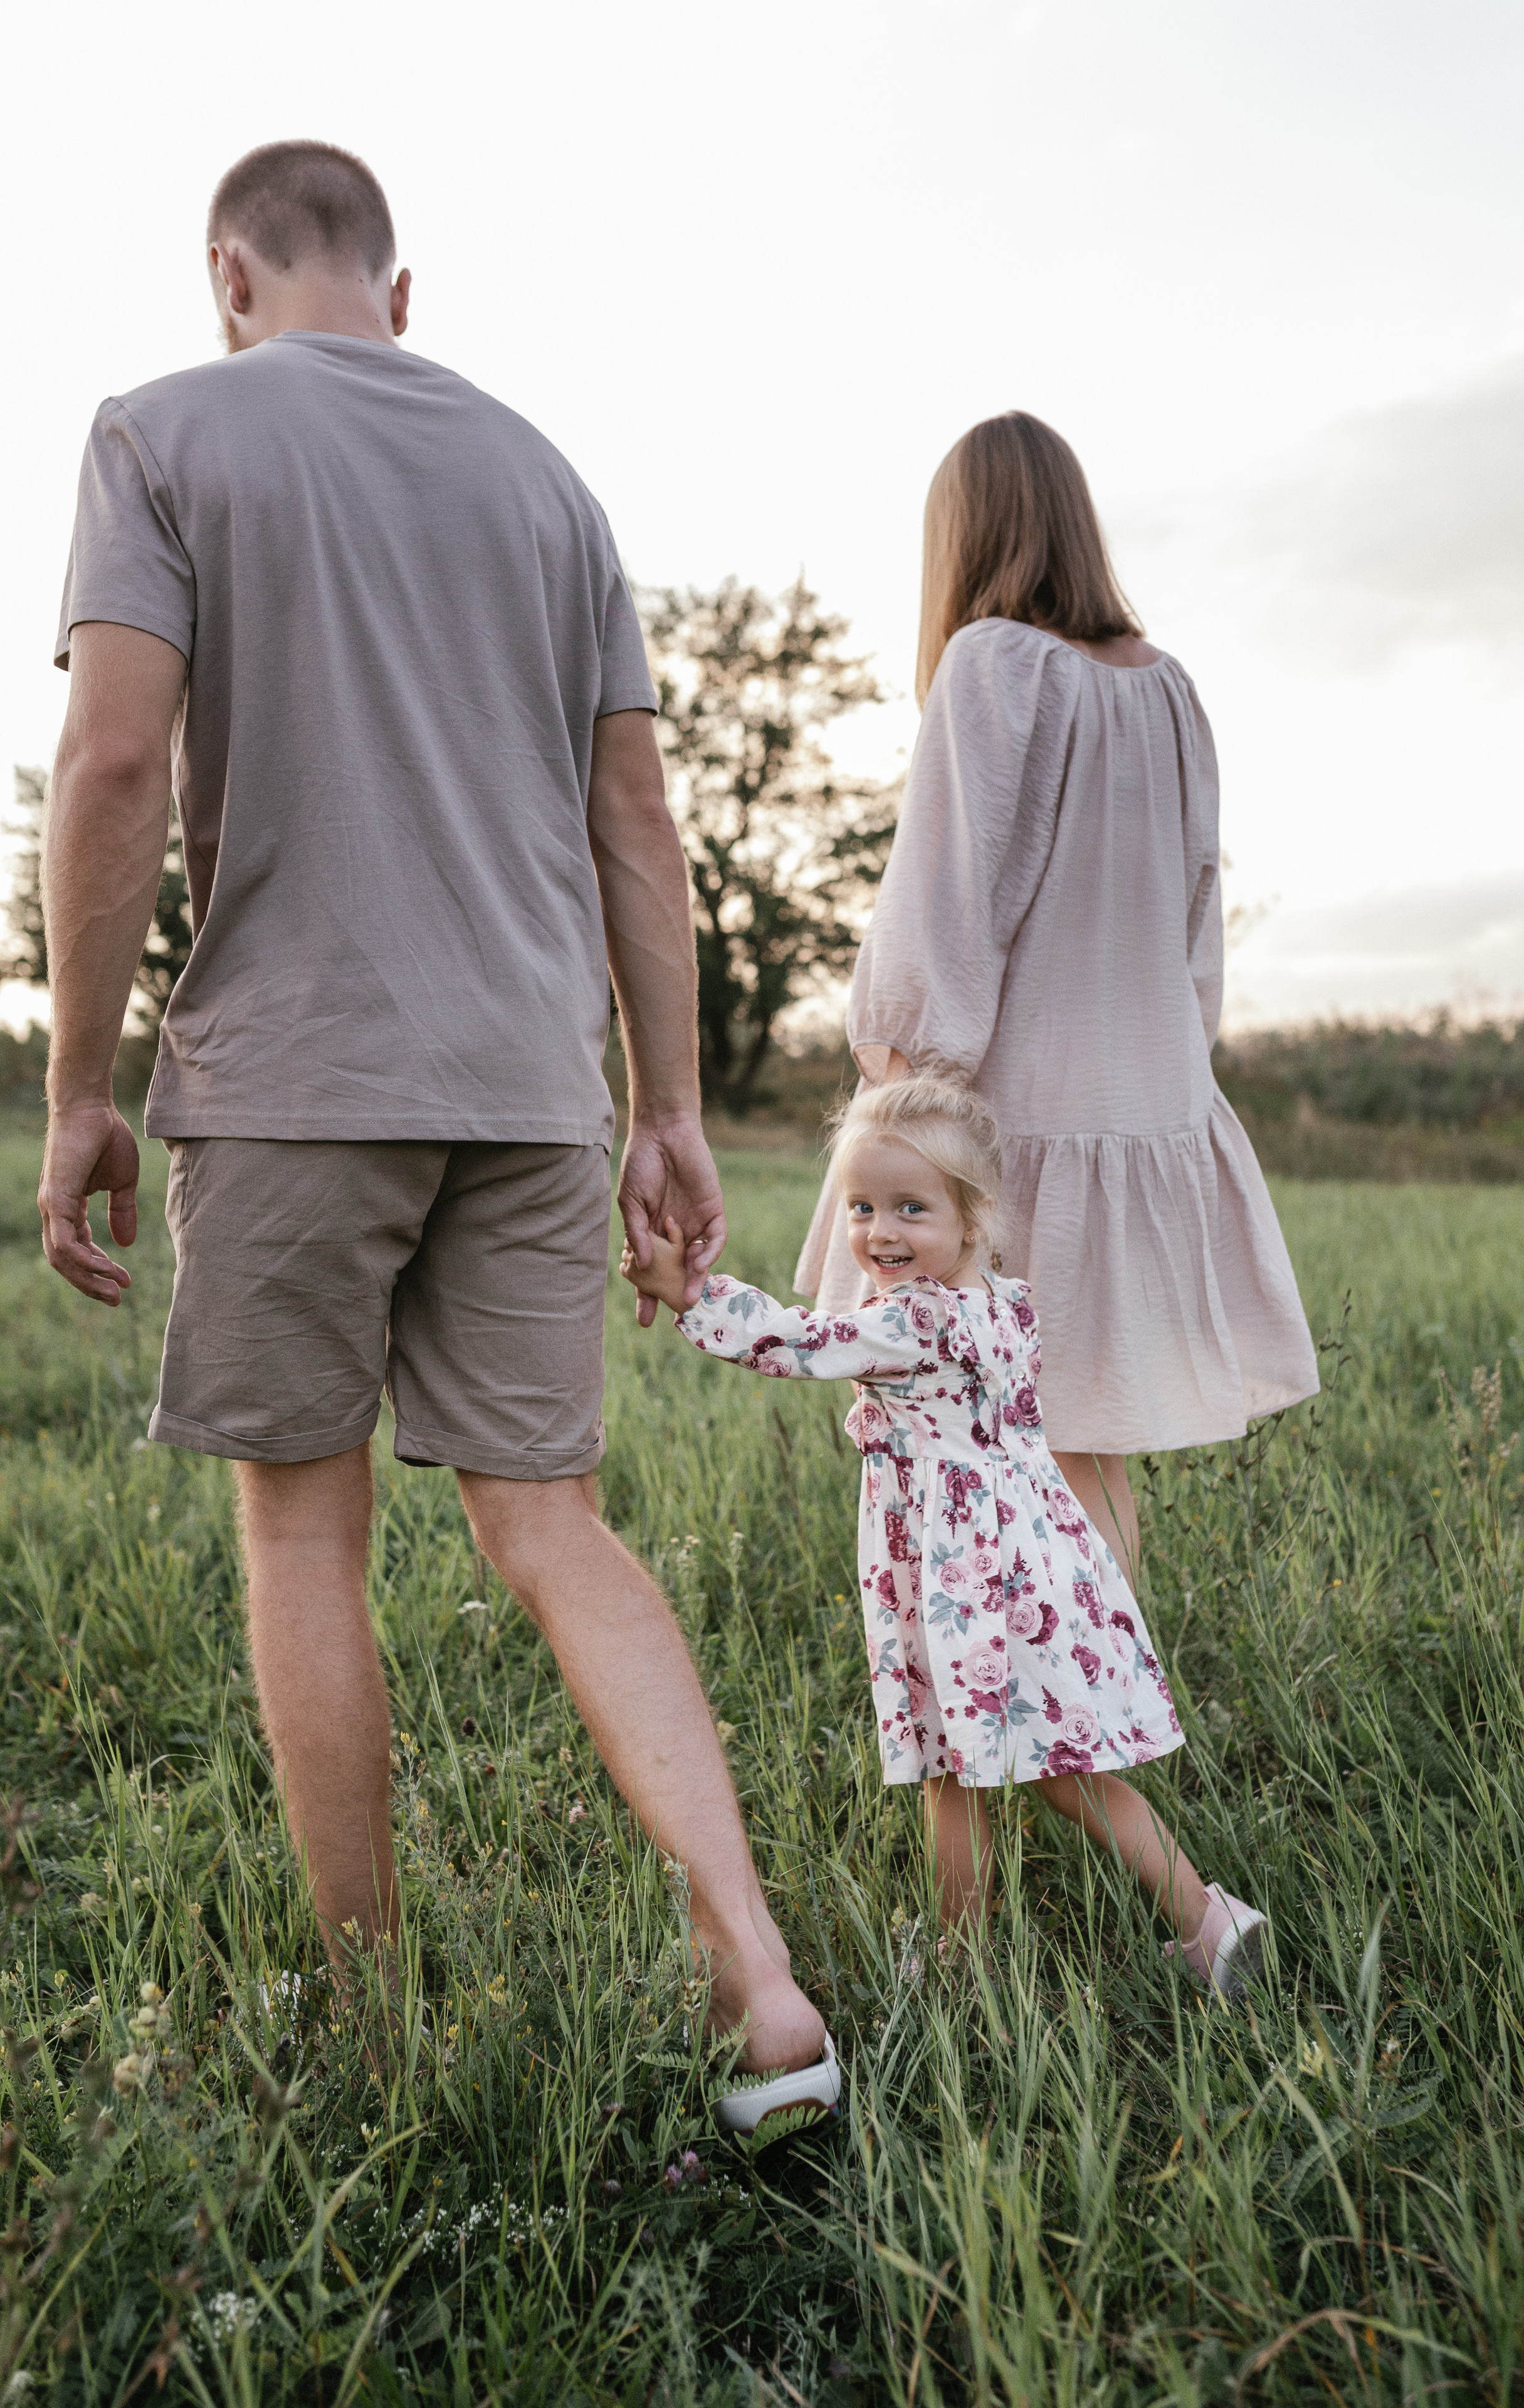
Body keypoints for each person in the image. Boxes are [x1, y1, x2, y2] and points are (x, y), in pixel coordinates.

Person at [38, 138, 831, 2096]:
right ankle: (763, 1978)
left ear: (230, 274)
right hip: (533, 1088)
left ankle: (376, 2027)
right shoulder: (549, 482)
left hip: (296, 1074)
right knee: (550, 1522)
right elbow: (636, 820)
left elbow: (117, 756)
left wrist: (76, 1088)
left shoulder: (161, 432)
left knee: (302, 1538)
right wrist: (669, 1108)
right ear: (400, 295)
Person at [797, 411, 1319, 1588]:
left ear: (966, 534)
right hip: (1147, 1107)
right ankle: (1108, 1704)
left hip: (1015, 1120)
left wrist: (901, 1083)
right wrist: (1177, 1077)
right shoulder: (1170, 687)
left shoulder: (991, 663)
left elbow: (947, 901)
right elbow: (1198, 922)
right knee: (1085, 1446)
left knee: (999, 1448)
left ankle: (1049, 1714)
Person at [625, 1076, 1266, 1993]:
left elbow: (795, 1341)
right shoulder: (1006, 1304)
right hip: (1032, 1562)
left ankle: (963, 1969)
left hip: (961, 1577)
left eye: (910, 1209)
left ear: (973, 1218)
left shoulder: (916, 1319)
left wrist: (690, 1294)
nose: (880, 1233)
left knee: (948, 1770)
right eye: (862, 1207)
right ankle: (1208, 1918)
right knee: (1069, 1773)